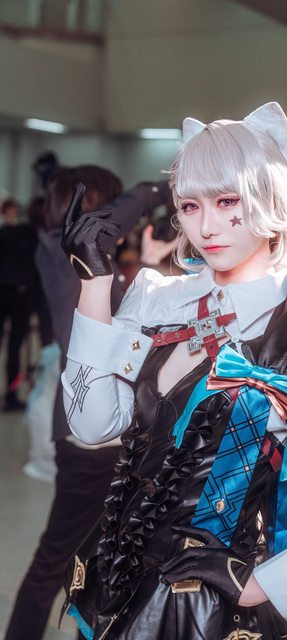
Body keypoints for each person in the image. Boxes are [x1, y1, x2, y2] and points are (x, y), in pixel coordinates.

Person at [60, 103, 287, 640]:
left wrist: (266, 584)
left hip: (207, 612)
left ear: (268, 199)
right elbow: (92, 425)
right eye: (190, 205)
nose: (206, 226)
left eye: (227, 201)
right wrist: (93, 284)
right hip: (113, 586)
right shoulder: (159, 297)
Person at [4, 166, 174, 640]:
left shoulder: (86, 264)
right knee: (59, 559)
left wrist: (151, 265)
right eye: (107, 208)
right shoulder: (62, 254)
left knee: (100, 562)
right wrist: (166, 186)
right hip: (90, 440)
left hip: (111, 431)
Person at [0, 197, 39, 410]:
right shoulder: (27, 234)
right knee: (15, 348)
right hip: (17, 295)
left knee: (15, 349)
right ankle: (11, 394)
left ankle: (12, 393)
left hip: (17, 296)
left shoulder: (24, 233)